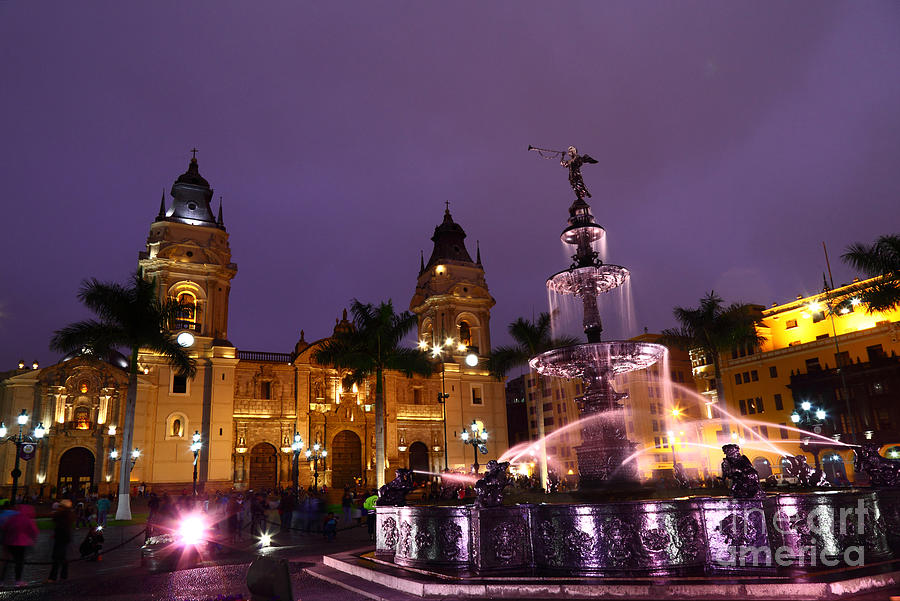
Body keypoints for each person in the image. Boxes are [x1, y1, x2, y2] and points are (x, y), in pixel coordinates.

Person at [3, 504, 39, 586]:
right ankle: (18, 581)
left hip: (9, 542)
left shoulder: (13, 518)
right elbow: (34, 531)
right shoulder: (27, 519)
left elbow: (5, 527)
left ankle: (2, 580)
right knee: (19, 563)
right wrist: (32, 540)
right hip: (21, 544)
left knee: (7, 562)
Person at [48, 499, 75, 582]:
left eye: (60, 506)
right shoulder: (68, 514)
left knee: (57, 557)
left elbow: (56, 520)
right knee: (61, 557)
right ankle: (63, 575)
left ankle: (53, 577)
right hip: (63, 537)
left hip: (62, 538)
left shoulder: (63, 514)